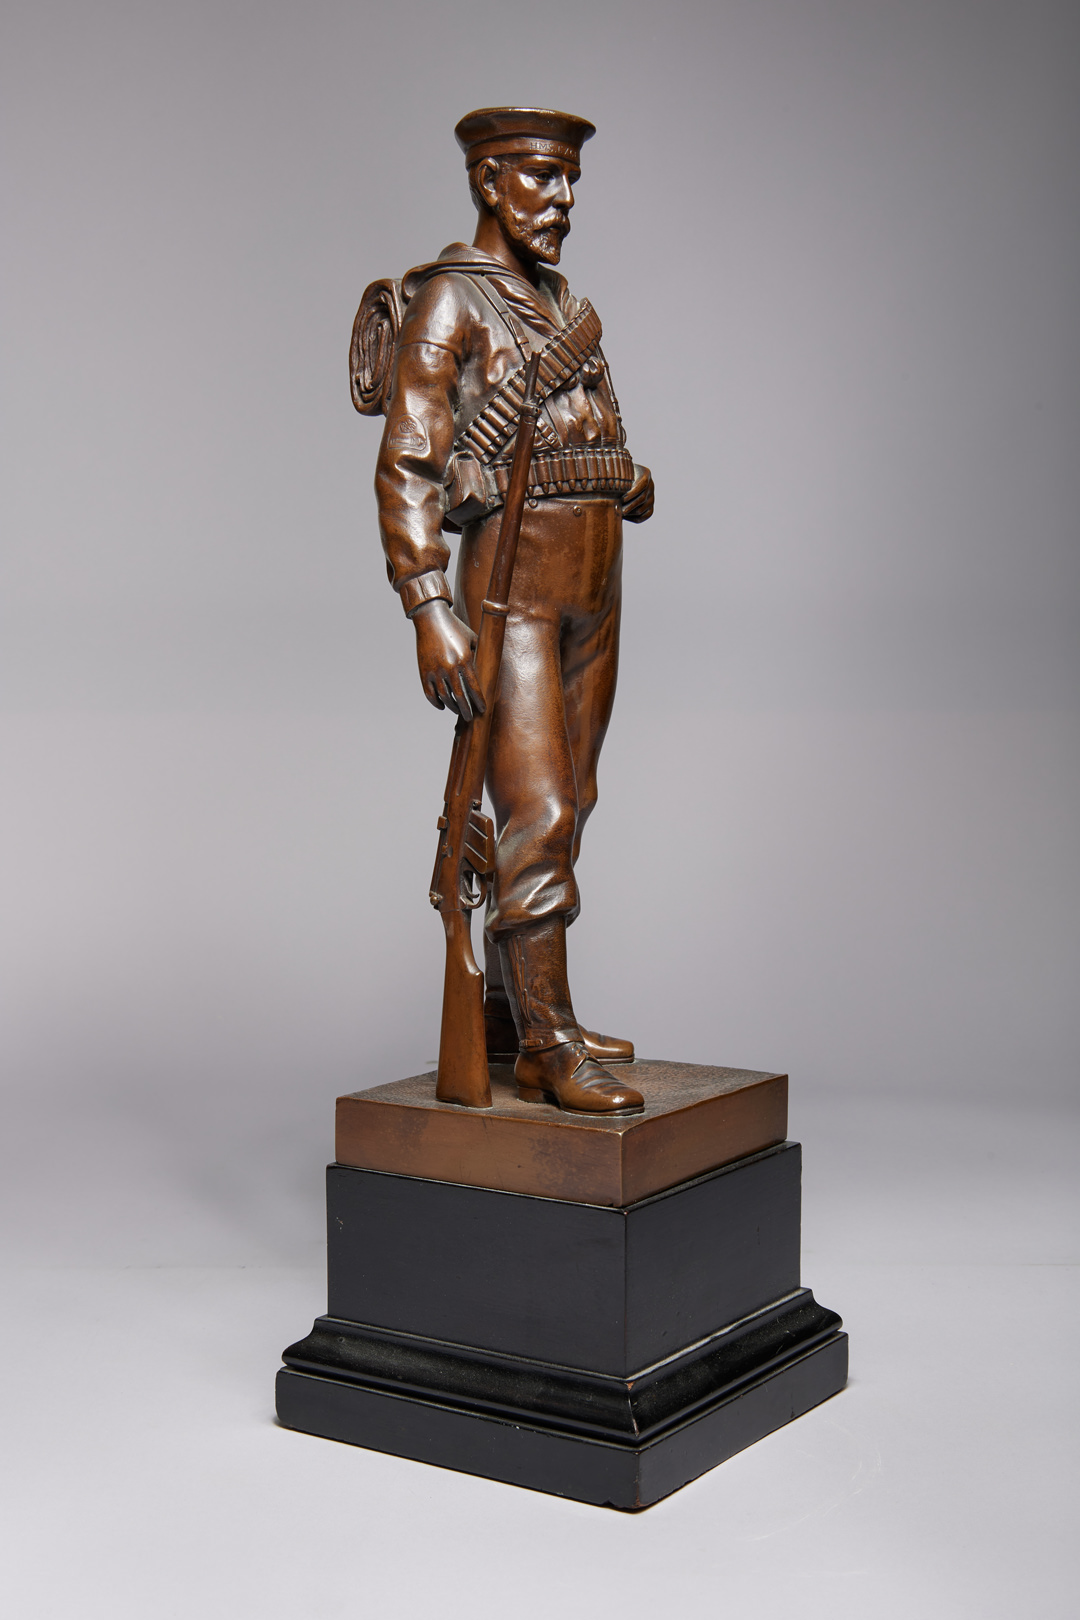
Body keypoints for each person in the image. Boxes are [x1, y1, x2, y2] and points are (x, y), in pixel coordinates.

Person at [374, 107, 654, 1115]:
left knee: (573, 798)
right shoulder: (452, 299)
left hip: (594, 580)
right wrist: (427, 604)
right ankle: (548, 1044)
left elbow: (578, 424)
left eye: (571, 180)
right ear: (488, 182)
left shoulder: (561, 304)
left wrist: (621, 474)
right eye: (542, 177)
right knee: (537, 808)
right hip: (514, 589)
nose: (564, 200)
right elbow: (409, 465)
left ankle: (515, 1009)